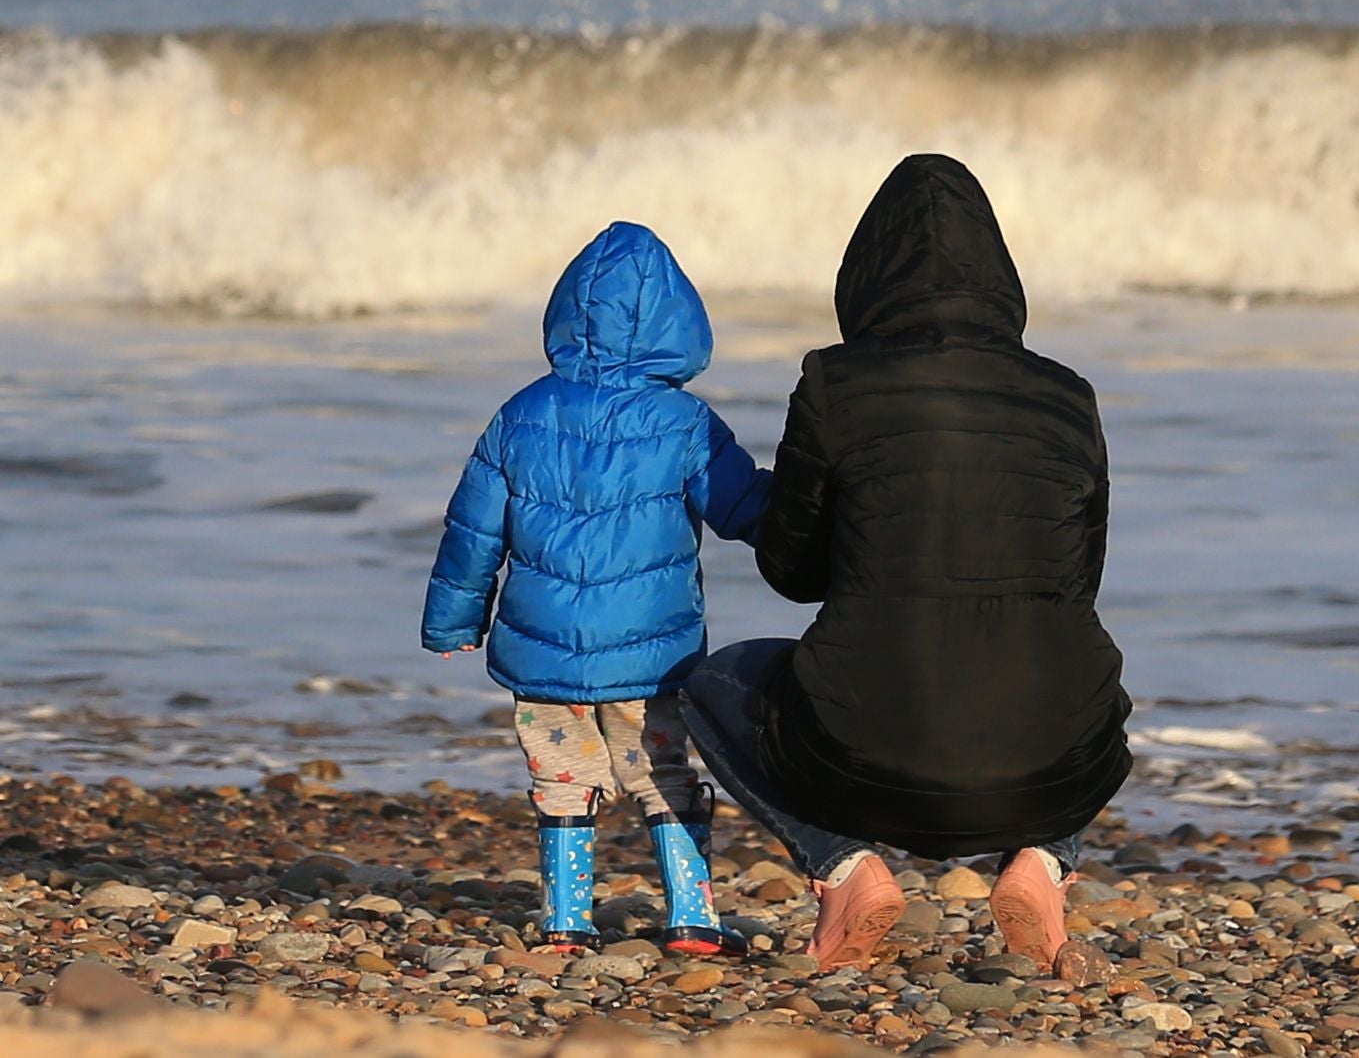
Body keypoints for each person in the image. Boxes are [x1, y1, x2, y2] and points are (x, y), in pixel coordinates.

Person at [667, 152, 1129, 973]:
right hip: (1046, 765)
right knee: (1085, 689)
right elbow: (1077, 582)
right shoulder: (1070, 394)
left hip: (859, 757)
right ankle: (1043, 863)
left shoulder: (834, 382)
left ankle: (845, 865)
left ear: (866, 272)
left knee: (710, 683)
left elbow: (793, 570)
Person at [422, 219, 772, 955]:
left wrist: (455, 620)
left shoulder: (521, 413)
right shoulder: (684, 422)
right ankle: (692, 916)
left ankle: (565, 923)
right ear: (680, 320)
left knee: (561, 779)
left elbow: (473, 530)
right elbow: (745, 509)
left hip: (542, 651)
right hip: (652, 655)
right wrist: (821, 520)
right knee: (662, 774)